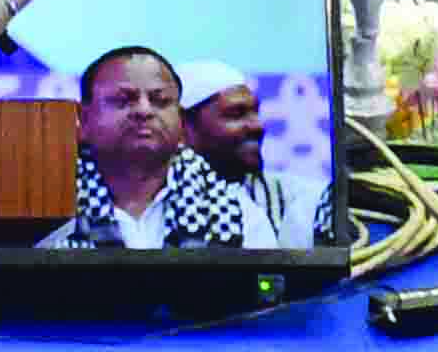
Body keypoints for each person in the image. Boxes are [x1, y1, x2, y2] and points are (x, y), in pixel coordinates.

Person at [38, 39, 267, 247]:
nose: (144, 110)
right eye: (123, 99)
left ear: (181, 121)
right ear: (84, 119)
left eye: (160, 100)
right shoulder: (46, 209)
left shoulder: (237, 212)